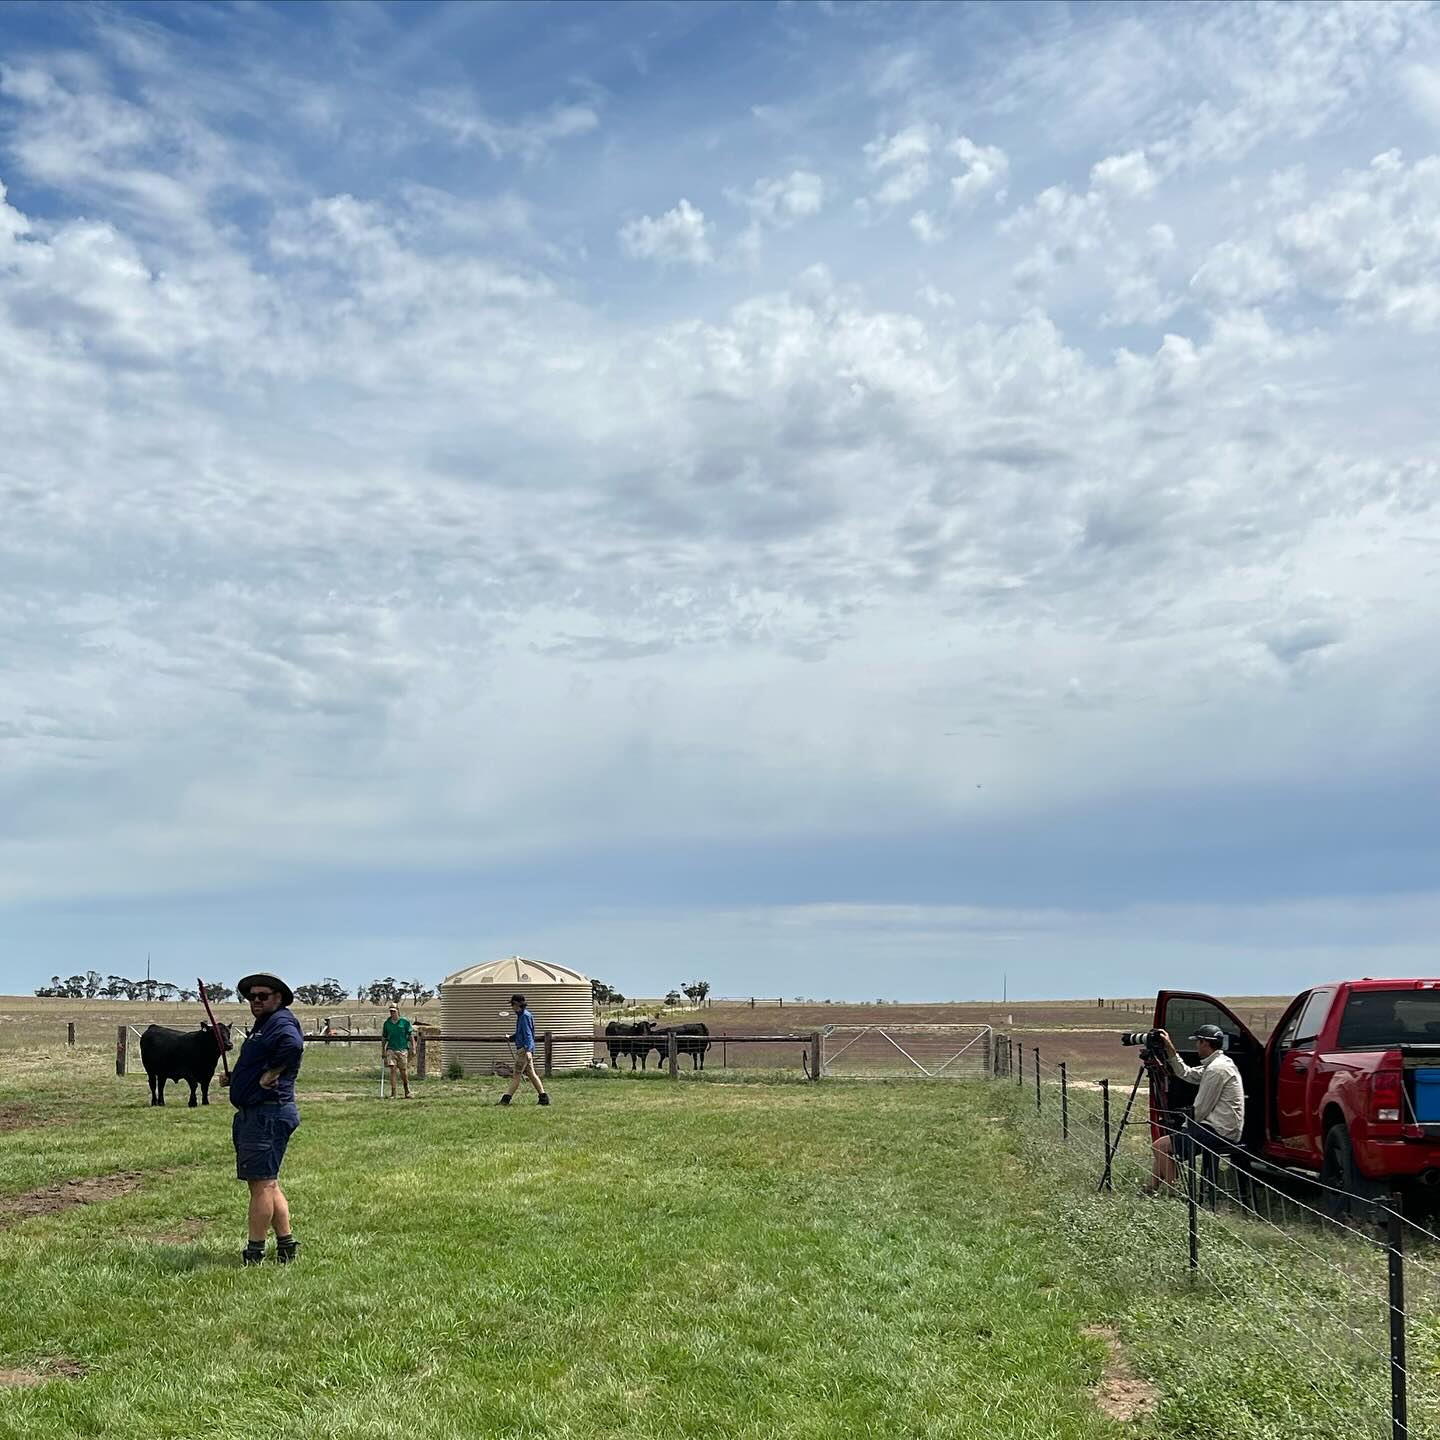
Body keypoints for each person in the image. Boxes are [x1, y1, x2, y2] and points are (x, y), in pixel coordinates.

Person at [220, 972, 305, 1264]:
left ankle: (254, 1253)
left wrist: (271, 1074)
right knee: (268, 1183)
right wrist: (239, 1079)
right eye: (251, 996)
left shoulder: (281, 1022)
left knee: (262, 1185)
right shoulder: (264, 1024)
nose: (255, 1000)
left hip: (267, 1114)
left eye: (262, 996)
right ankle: (286, 1246)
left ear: (278, 998)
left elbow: (293, 1047)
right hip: (258, 1112)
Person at [1145, 1023, 1245, 1195]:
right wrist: (1171, 1050)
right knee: (1164, 1145)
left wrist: (1185, 1128)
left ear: (1206, 1043)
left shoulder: (1216, 1070)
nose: (1196, 1046)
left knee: (1159, 1147)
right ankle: (1151, 1189)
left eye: (1198, 1042)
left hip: (1218, 1131)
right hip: (1220, 1127)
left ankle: (1174, 1193)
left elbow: (1200, 1109)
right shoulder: (1218, 1063)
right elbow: (1187, 1074)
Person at [497, 992, 549, 1107]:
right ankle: (543, 1098)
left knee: (516, 1074)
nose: (512, 1007)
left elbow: (528, 1034)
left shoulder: (524, 1016)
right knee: (531, 1073)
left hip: (524, 1051)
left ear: (517, 1004)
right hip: (525, 1049)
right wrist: (511, 1037)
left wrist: (529, 1050)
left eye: (512, 1005)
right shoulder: (523, 1016)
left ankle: (506, 1099)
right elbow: (521, 1033)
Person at [381, 1003, 414, 1099]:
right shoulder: (387, 1023)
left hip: (403, 1049)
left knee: (403, 1071)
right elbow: (384, 1038)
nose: (392, 1013)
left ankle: (407, 1090)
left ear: (398, 1011)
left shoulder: (405, 1022)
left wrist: (413, 1047)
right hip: (391, 1049)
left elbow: (410, 1035)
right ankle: (393, 1092)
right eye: (390, 1011)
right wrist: (383, 1050)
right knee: (392, 1069)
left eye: (393, 1011)